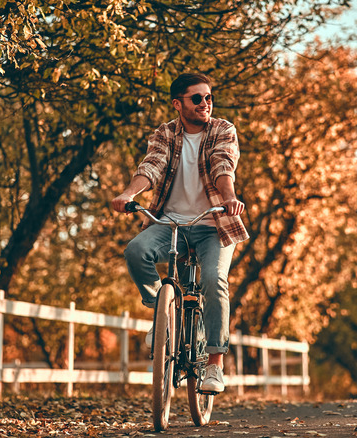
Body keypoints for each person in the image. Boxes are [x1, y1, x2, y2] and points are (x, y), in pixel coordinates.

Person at [112, 72, 248, 393]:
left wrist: (229, 198)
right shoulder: (166, 134)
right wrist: (129, 194)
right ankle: (162, 318)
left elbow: (222, 164)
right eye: (197, 98)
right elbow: (151, 166)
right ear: (178, 104)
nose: (205, 104)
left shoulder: (222, 130)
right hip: (169, 223)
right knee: (135, 251)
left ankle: (215, 364)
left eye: (209, 98)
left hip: (213, 224)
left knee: (213, 279)